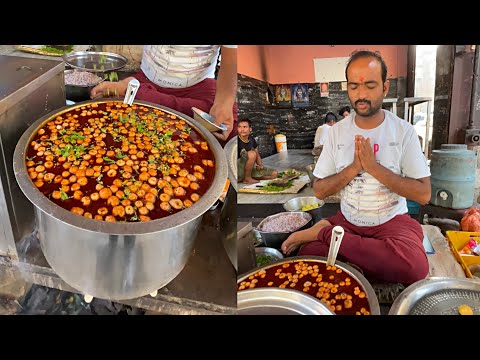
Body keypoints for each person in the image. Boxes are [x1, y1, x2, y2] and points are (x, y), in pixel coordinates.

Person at [281, 50, 431, 285]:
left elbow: (423, 194)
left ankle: (325, 233)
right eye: (354, 87)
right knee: (308, 255)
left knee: (415, 267)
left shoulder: (403, 131)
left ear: (385, 87)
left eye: (370, 86)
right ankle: (358, 256)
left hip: (391, 221)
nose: (361, 94)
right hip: (348, 220)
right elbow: (319, 190)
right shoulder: (336, 132)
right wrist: (354, 168)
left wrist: (373, 168)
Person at [90, 45, 238, 145]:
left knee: (231, 131)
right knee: (108, 119)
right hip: (148, 80)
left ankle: (135, 92)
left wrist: (224, 103)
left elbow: (231, 62)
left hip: (198, 88)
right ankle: (138, 93)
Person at [237, 119, 278, 184]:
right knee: (251, 154)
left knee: (274, 173)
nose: (242, 129)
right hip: (237, 170)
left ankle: (247, 177)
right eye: (239, 127)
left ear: (250, 129)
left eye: (244, 127)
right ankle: (247, 179)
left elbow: (257, 154)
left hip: (248, 170)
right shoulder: (236, 140)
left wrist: (260, 165)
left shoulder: (251, 139)